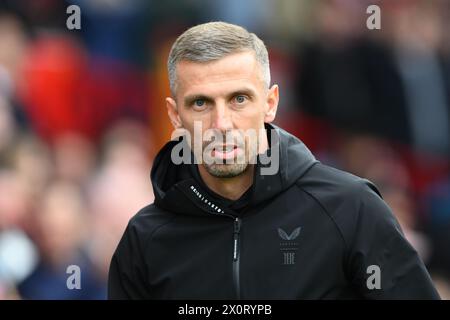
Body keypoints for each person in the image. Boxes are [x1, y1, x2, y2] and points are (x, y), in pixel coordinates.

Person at [107, 21, 440, 299]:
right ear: (174, 114)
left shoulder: (351, 210)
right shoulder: (145, 240)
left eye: (239, 99)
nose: (221, 124)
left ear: (270, 103)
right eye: (200, 104)